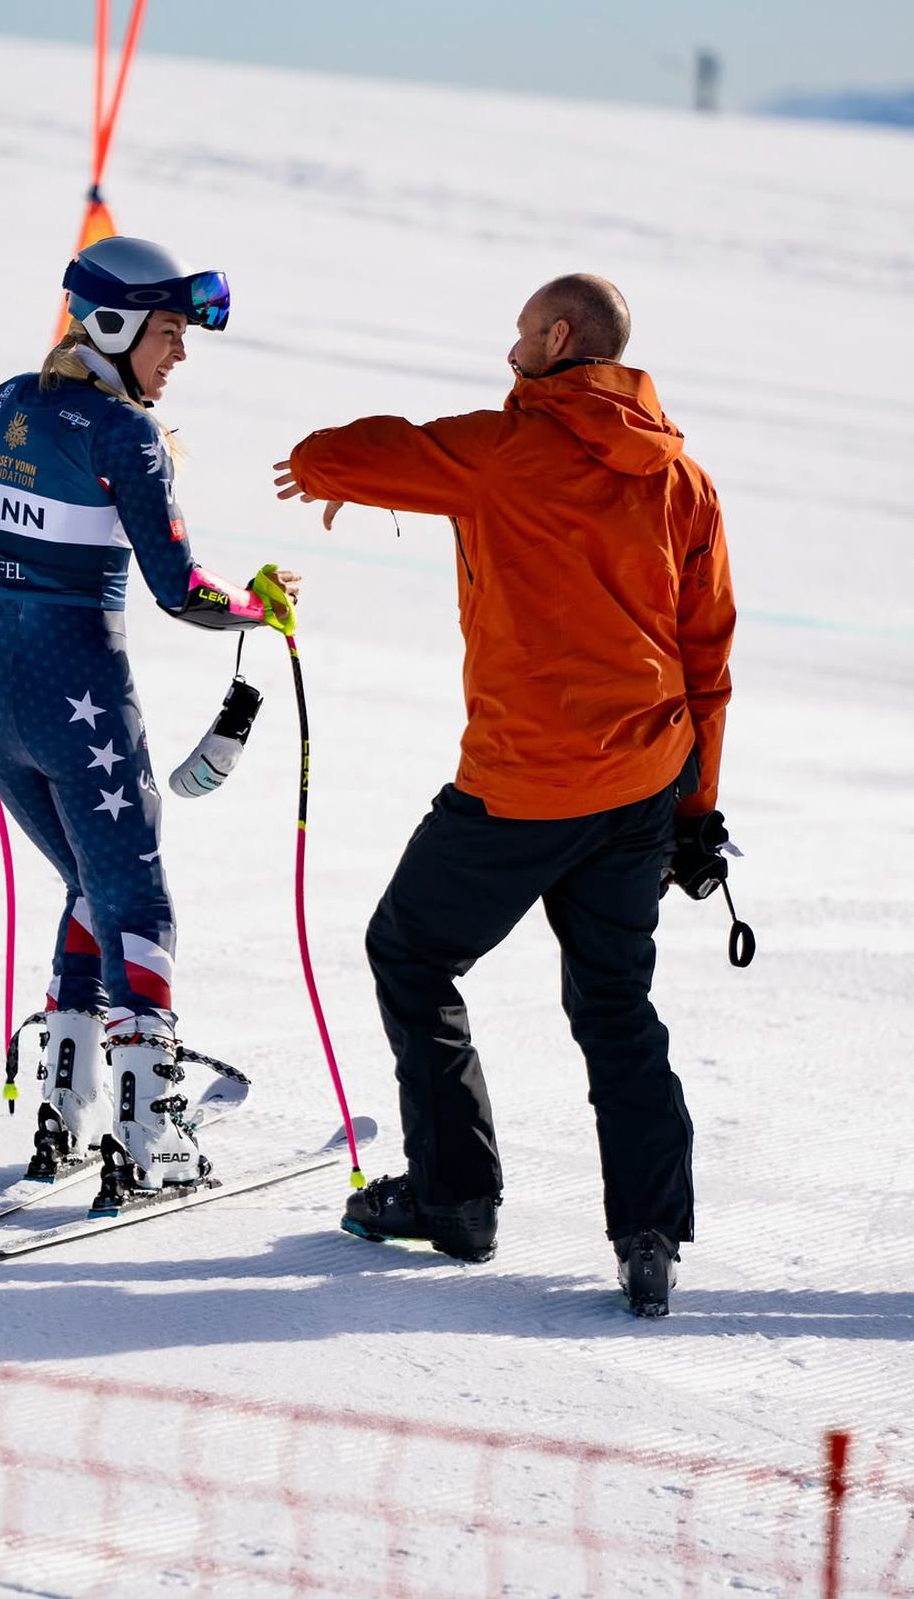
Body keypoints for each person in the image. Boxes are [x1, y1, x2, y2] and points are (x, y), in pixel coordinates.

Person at [274, 273, 735, 1316]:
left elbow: (323, 456)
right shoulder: (686, 482)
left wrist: (352, 475)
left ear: (559, 336)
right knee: (616, 1002)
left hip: (524, 786)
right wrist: (697, 813)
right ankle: (650, 1233)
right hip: (641, 786)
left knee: (411, 949)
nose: (510, 345)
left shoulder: (497, 451)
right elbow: (707, 657)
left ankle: (455, 1199)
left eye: (523, 330)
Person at [0, 235, 299, 1205]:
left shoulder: (0, 402)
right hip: (79, 698)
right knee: (140, 904)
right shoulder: (126, 436)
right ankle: (149, 1136)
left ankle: (66, 1115)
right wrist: (257, 606)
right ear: (118, 325)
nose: (179, 355)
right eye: (170, 333)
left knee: (92, 884)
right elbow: (182, 592)